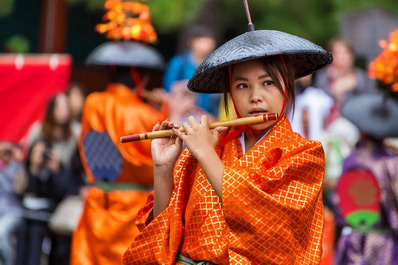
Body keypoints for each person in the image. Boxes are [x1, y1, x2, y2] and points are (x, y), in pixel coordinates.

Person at [123, 26, 333, 263]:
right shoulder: (213, 145)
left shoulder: (305, 155)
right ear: (230, 93)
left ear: (286, 87)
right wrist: (163, 169)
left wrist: (204, 153)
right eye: (242, 86)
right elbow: (164, 232)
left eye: (268, 83)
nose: (255, 96)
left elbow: (265, 224)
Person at [70, 48, 167, 264]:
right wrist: (164, 110)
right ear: (141, 78)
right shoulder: (147, 115)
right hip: (135, 206)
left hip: (99, 199)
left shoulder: (92, 102)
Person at [331, 91, 398, 265]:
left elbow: (339, 199)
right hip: (383, 247)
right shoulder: (392, 162)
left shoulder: (351, 159)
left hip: (352, 240)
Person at [16, 139, 71, 265]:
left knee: (36, 231)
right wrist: (33, 169)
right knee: (22, 229)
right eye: (36, 151)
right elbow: (22, 192)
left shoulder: (54, 170)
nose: (41, 155)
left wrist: (56, 171)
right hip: (28, 215)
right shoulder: (27, 170)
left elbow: (61, 193)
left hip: (48, 217)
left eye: (43, 151)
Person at [162, 25, 220, 117]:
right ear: (191, 42)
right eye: (202, 39)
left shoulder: (216, 66)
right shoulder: (179, 63)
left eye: (210, 39)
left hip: (209, 117)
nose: (208, 43)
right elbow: (168, 91)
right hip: (182, 115)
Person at [313, 38, 369, 126]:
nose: (342, 57)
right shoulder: (324, 74)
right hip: (326, 121)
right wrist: (335, 90)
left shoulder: (358, 75)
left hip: (350, 121)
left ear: (351, 56)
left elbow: (364, 99)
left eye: (345, 53)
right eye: (337, 53)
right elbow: (319, 96)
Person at [0, 140, 26, 265]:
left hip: (13, 211)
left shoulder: (17, 167)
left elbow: (19, 189)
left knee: (1, 232)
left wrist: (20, 163)